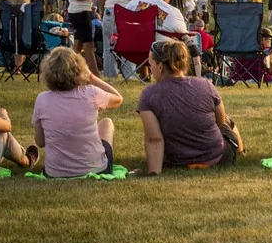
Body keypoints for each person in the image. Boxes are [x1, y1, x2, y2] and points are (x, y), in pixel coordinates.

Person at [137, 41, 242, 175]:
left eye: (151, 64)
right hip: (216, 157)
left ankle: (240, 151)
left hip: (175, 161)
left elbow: (154, 139)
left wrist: (154, 173)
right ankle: (240, 151)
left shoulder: (149, 95)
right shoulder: (206, 85)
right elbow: (220, 122)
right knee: (228, 120)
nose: (149, 68)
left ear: (160, 66)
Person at [32, 47, 124, 178]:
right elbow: (118, 99)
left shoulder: (42, 99)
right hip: (96, 169)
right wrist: (92, 77)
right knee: (106, 123)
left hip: (55, 172)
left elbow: (40, 142)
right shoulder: (91, 93)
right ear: (80, 69)